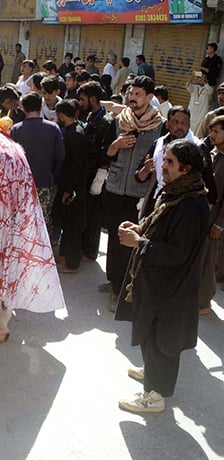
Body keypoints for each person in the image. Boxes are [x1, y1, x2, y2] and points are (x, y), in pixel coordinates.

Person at [115, 139, 209, 414]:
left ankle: (155, 396)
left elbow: (177, 253)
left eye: (169, 162)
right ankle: (153, 374)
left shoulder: (192, 205)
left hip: (172, 287)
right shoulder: (176, 192)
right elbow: (161, 228)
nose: (163, 166)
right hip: (158, 281)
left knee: (163, 339)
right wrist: (140, 228)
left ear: (186, 168)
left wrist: (139, 243)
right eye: (164, 159)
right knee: (151, 332)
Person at [102, 75, 163, 312]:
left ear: (149, 97)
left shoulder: (160, 126)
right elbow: (105, 153)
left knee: (132, 241)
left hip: (140, 193)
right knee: (114, 239)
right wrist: (115, 145)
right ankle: (113, 280)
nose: (132, 98)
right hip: (116, 188)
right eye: (130, 93)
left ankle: (122, 288)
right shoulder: (119, 120)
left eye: (138, 94)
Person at [10, 92, 65, 242]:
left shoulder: (16, 129)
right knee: (43, 219)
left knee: (21, 220)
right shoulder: (53, 128)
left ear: (23, 108)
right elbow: (60, 156)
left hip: (22, 184)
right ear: (41, 106)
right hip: (45, 181)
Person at [78, 81, 116, 263]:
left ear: (93, 99)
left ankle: (91, 252)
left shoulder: (107, 121)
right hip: (86, 171)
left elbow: (106, 152)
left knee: (94, 215)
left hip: (96, 174)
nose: (80, 102)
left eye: (82, 99)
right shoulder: (91, 117)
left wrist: (99, 179)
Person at [53, 100, 90, 273]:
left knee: (73, 226)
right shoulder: (75, 131)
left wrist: (68, 190)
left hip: (74, 189)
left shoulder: (74, 136)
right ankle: (66, 256)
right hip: (72, 186)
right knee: (67, 224)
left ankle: (72, 264)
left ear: (61, 115)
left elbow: (74, 166)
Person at [199, 116, 224, 315]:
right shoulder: (212, 153)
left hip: (216, 221)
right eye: (211, 131)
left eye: (217, 132)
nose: (212, 135)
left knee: (208, 261)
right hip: (204, 216)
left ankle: (203, 303)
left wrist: (220, 224)